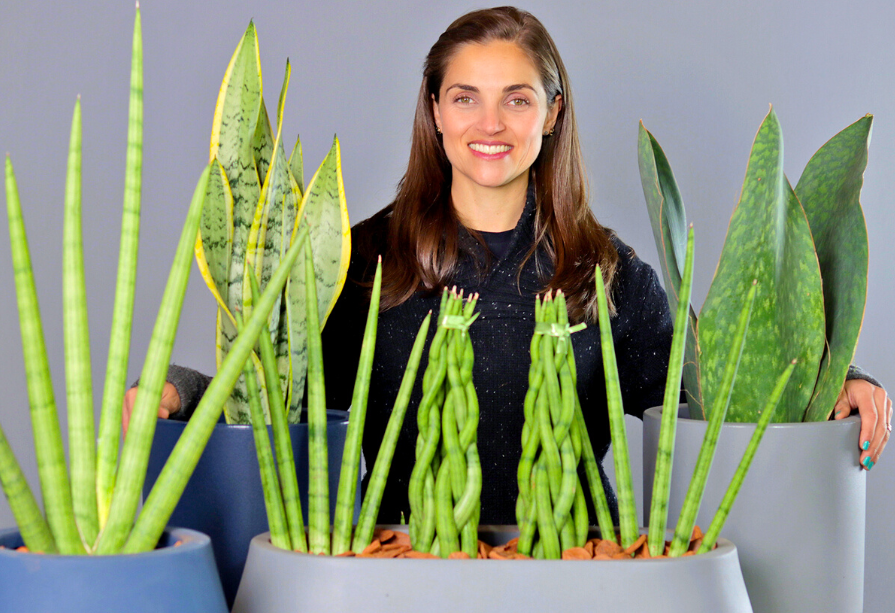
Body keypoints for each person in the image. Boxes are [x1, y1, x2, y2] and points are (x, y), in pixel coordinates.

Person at [126, 6, 891, 524]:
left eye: (516, 99)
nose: (489, 124)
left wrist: (847, 378)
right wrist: (179, 388)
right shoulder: (359, 260)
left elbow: (713, 385)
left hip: (575, 572)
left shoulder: (607, 272)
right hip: (395, 568)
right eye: (464, 98)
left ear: (552, 113)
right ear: (433, 110)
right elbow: (271, 386)